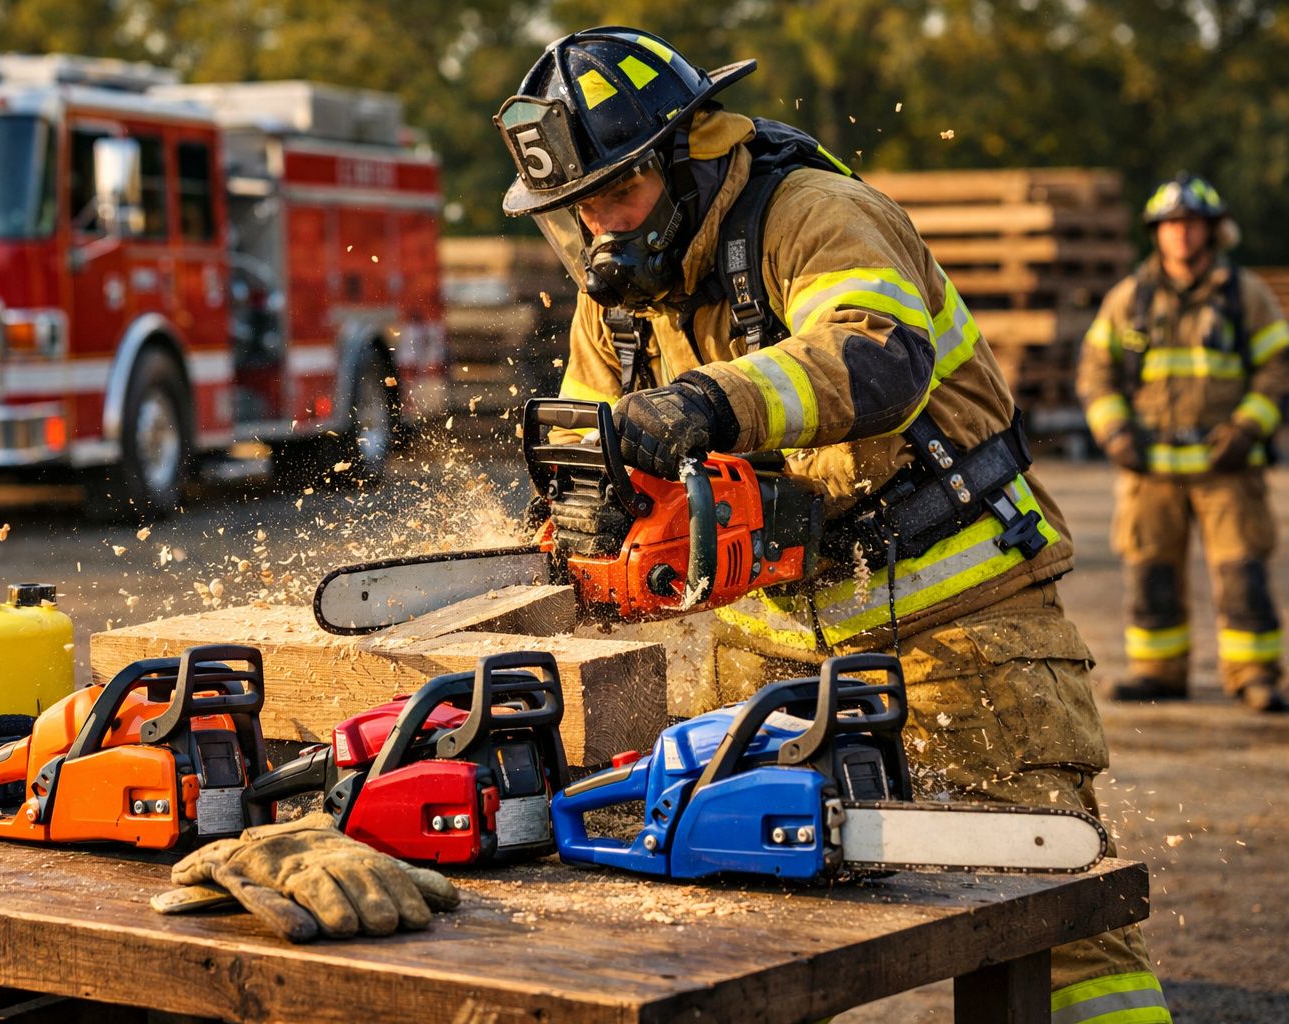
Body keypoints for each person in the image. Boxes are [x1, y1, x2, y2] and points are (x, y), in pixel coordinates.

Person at [496, 26, 1169, 1021]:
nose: (600, 228)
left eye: (618, 194)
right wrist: (589, 518)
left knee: (1051, 928)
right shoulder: (620, 304)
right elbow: (607, 450)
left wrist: (717, 401)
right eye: (575, 211)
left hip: (960, 628)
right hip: (766, 656)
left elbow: (879, 356)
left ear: (685, 153)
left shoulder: (814, 213)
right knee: (744, 935)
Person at [1077, 174, 1289, 712]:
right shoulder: (1131, 297)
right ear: (1157, 233)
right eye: (1171, 225)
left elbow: (1277, 369)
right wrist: (1115, 432)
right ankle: (1157, 672)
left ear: (1213, 231)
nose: (1181, 235)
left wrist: (1248, 427)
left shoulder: (1245, 296)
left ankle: (1255, 676)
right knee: (1151, 574)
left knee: (1243, 574)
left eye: (1191, 224)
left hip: (1228, 467)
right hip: (1150, 467)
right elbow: (1095, 371)